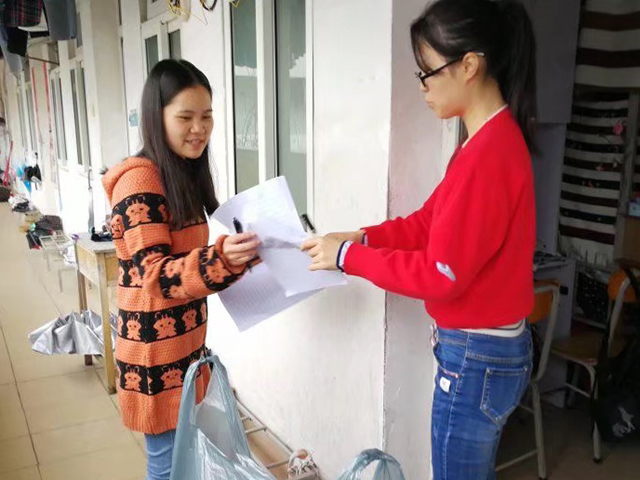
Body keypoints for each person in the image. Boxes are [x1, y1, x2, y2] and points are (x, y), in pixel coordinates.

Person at [302, 0, 537, 478]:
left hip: (475, 357)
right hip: (482, 352)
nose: (423, 87)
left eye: (428, 72)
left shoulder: (489, 154)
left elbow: (439, 276)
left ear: (468, 66)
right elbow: (428, 223)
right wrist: (363, 237)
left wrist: (348, 257)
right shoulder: (480, 143)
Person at [102, 59, 259, 480]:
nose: (199, 129)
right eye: (185, 117)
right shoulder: (139, 182)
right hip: (155, 355)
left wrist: (237, 258)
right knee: (167, 463)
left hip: (186, 345)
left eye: (207, 116)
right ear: (157, 118)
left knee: (184, 459)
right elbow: (156, 275)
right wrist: (221, 259)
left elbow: (189, 262)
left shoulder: (181, 172)